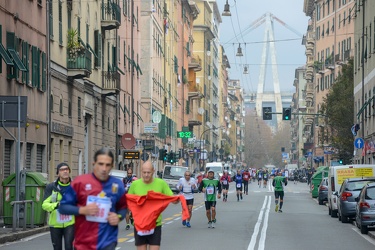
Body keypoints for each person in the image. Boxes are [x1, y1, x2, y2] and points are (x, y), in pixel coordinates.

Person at [59, 148, 127, 250]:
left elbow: (123, 208)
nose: (104, 168)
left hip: (108, 241)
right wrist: (82, 210)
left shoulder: (117, 185)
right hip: (84, 243)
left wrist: (118, 217)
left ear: (112, 166)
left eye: (107, 165)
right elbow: (63, 207)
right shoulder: (80, 182)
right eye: (100, 164)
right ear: (94, 163)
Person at [127, 161, 179, 250]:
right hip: (140, 224)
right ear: (141, 171)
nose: (146, 175)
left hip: (155, 224)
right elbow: (129, 201)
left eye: (149, 172)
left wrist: (176, 200)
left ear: (153, 171)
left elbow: (171, 197)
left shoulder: (161, 183)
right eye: (144, 172)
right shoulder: (135, 185)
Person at [42, 163, 74, 250]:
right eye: (62, 170)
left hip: (70, 223)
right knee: (57, 248)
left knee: (69, 247)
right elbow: (44, 205)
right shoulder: (51, 187)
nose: (65, 171)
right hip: (55, 224)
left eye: (67, 169)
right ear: (58, 173)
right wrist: (57, 205)